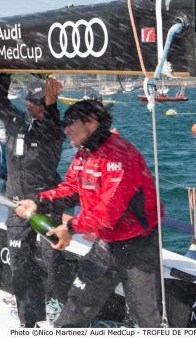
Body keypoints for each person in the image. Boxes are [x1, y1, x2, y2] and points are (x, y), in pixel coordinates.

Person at [15, 100, 163, 327]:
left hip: (138, 246)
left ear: (91, 122)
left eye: (69, 123)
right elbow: (72, 188)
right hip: (108, 243)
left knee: (146, 316)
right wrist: (38, 202)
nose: (65, 129)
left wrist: (69, 228)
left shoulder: (120, 157)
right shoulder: (85, 152)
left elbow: (106, 213)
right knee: (77, 302)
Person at [0, 73, 74, 327]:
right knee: (20, 262)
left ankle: (67, 311)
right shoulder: (15, 121)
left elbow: (49, 121)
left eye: (38, 103)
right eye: (30, 102)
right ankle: (30, 320)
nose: (31, 107)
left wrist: (50, 103)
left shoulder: (53, 127)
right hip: (16, 205)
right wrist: (6, 70)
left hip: (44, 204)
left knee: (53, 258)